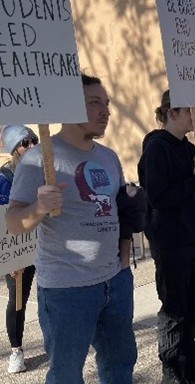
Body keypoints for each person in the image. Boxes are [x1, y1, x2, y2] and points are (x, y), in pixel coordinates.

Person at [6, 74, 137, 384]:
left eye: (106, 104)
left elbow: (121, 211)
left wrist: (123, 260)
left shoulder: (109, 157)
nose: (106, 112)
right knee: (66, 374)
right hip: (66, 290)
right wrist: (38, 207)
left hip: (114, 282)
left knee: (120, 366)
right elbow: (13, 223)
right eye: (95, 104)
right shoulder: (39, 160)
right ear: (69, 106)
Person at [138, 90, 195, 384]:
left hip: (192, 238)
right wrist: (193, 180)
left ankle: (190, 363)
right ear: (171, 112)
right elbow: (159, 197)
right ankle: (171, 369)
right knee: (174, 309)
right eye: (190, 111)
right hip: (171, 241)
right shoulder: (157, 148)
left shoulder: (186, 148)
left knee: (191, 306)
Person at [1, 125, 38, 374]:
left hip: (46, 242)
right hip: (19, 247)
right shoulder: (4, 179)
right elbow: (2, 220)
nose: (32, 146)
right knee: (17, 301)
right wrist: (12, 259)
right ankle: (16, 350)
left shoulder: (44, 169)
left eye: (34, 140)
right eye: (25, 143)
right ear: (15, 149)